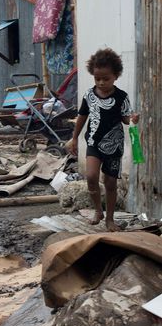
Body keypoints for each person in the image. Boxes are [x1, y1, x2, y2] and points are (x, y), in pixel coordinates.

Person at [66, 48, 139, 231]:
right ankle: (98, 210)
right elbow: (82, 117)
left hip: (114, 146)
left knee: (110, 183)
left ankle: (110, 219)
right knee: (91, 176)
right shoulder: (89, 96)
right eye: (97, 78)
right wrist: (74, 138)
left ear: (116, 76)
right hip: (94, 142)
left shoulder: (121, 97)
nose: (101, 82)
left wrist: (133, 119)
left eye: (106, 78)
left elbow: (125, 118)